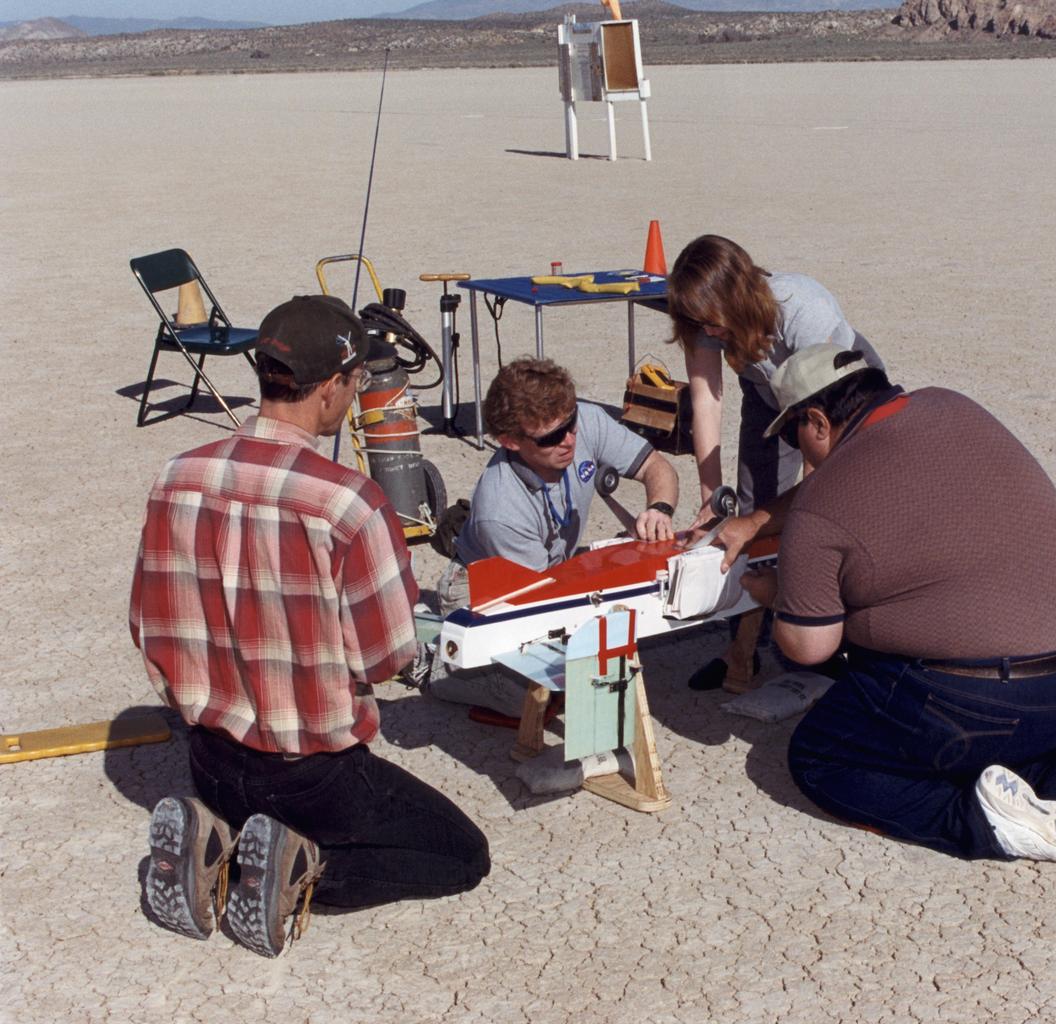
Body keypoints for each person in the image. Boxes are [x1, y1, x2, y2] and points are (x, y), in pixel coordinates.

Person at [130, 295, 490, 958]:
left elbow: (147, 627)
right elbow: (387, 656)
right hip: (310, 774)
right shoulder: (348, 503)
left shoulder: (176, 477)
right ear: (330, 389)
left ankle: (218, 838)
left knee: (262, 792)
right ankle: (277, 873)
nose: (354, 398)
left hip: (207, 755)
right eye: (355, 386)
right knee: (460, 854)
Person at [726, 342, 1056, 862]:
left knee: (823, 756)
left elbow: (807, 646)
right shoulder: (953, 405)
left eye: (794, 434)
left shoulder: (822, 501)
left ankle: (983, 821)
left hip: (994, 703)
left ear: (815, 420)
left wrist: (779, 593)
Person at [666, 234, 883, 689]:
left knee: (821, 516)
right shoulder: (702, 320)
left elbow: (821, 429)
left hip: (839, 396)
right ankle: (742, 653)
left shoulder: (801, 307)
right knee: (748, 516)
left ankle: (826, 634)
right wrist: (713, 497)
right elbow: (706, 398)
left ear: (738, 298)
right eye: (698, 325)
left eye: (713, 323)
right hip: (769, 395)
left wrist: (801, 513)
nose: (709, 333)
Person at [430, 356, 679, 717]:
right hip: (486, 585)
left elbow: (658, 467)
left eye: (571, 423)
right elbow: (542, 608)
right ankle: (434, 663)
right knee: (534, 697)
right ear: (510, 441)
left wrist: (660, 509)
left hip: (550, 569)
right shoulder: (500, 509)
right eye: (550, 437)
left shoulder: (583, 420)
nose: (569, 441)